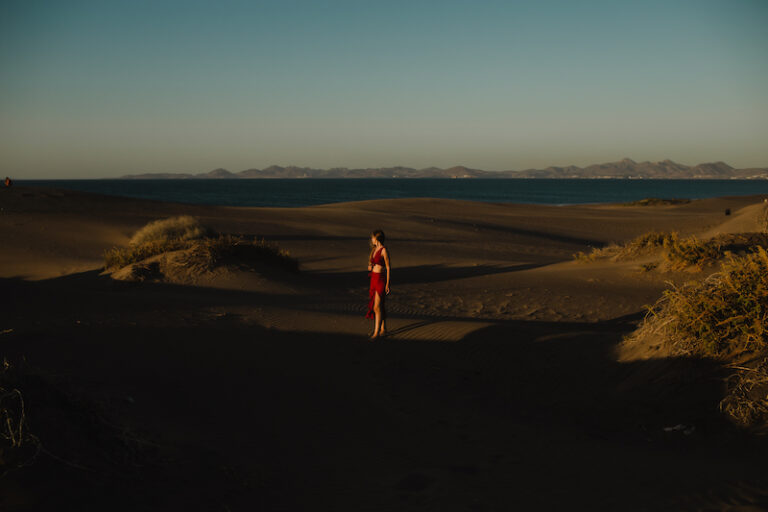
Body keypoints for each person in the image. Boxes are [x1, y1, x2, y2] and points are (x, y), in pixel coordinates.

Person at [366, 229, 390, 340]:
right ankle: (383, 328)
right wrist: (370, 267)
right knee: (380, 306)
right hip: (373, 279)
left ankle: (376, 333)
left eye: (372, 238)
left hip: (381, 279)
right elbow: (372, 263)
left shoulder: (384, 251)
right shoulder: (374, 249)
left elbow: (388, 267)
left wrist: (387, 284)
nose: (371, 239)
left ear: (377, 238)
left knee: (376, 307)